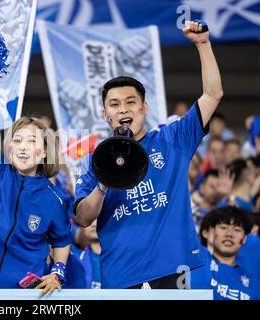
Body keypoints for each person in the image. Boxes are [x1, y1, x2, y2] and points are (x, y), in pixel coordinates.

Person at [74, 20, 223, 289]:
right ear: (104, 114)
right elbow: (83, 218)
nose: (123, 109)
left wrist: (203, 44)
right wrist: (104, 181)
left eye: (131, 102)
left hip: (173, 271)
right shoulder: (92, 161)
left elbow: (213, 95)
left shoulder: (173, 139)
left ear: (144, 108)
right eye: (114, 104)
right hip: (120, 278)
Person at [0, 73, 71, 296]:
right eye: (17, 140)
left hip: (26, 297)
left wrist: (57, 273)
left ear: (45, 151)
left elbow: (62, 240)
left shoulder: (53, 198)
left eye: (32, 141)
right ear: (8, 149)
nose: (23, 147)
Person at [191, 206, 260, 300]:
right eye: (223, 227)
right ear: (206, 232)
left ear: (244, 239)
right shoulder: (193, 261)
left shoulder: (254, 284)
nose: (229, 234)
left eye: (237, 230)